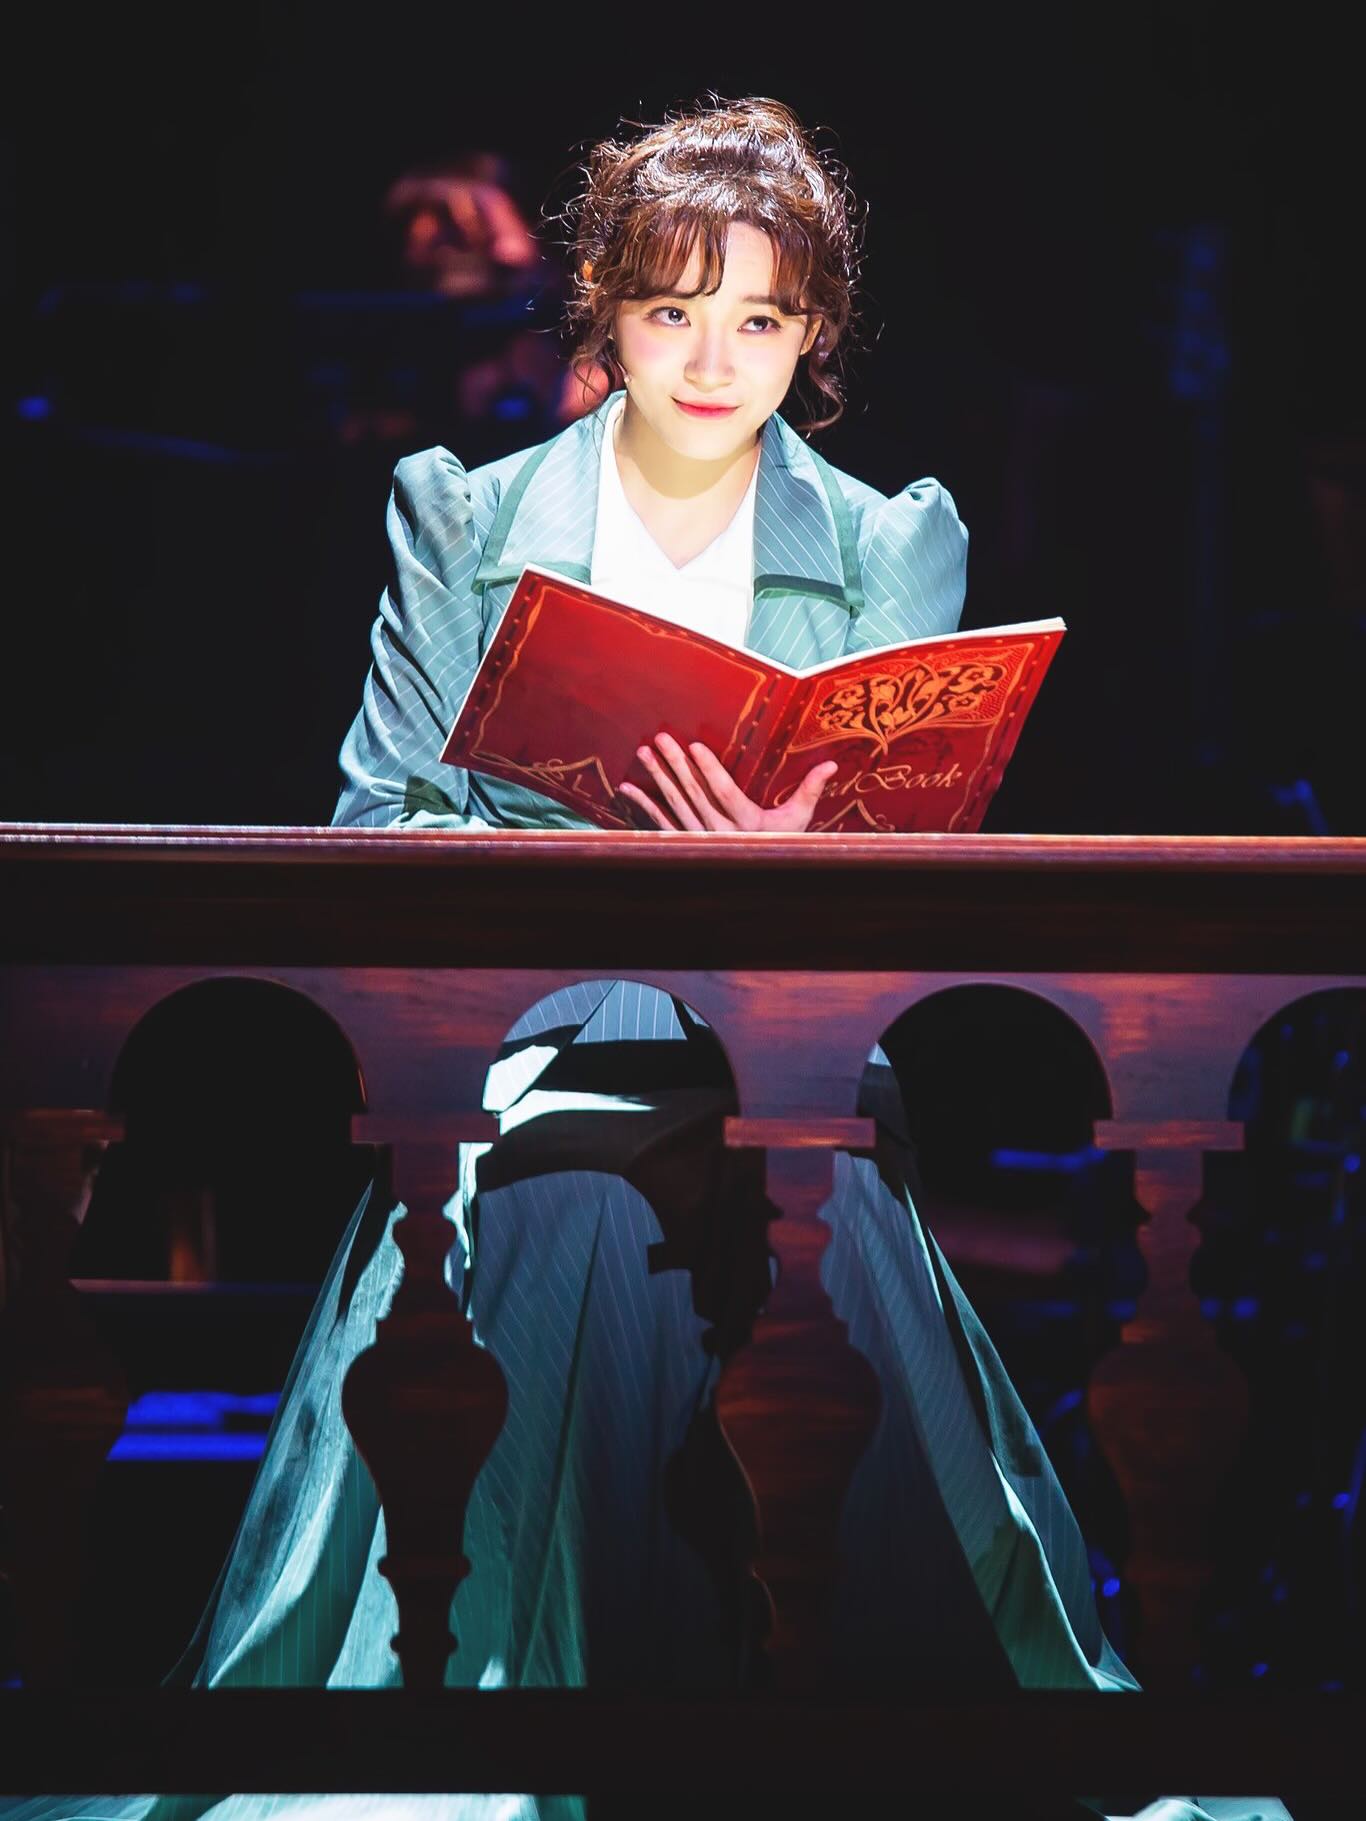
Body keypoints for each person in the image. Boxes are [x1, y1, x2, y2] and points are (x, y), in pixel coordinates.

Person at [0, 98, 1293, 1821]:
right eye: (672, 309)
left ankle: (828, 1724)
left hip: (795, 1055)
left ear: (813, 334)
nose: (710, 359)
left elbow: (926, 863)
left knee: (811, 1213)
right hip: (517, 1046)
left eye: (758, 318)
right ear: (603, 308)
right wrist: (609, 865)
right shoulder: (465, 514)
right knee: (559, 1197)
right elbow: (378, 821)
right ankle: (492, 1726)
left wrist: (794, 877)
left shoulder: (887, 537)